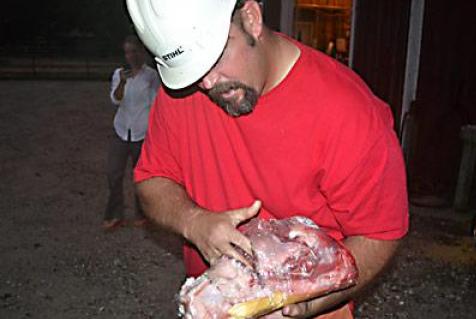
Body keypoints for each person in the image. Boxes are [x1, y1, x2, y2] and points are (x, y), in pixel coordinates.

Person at [127, 0, 409, 317]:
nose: (206, 83)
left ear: (251, 18)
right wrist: (193, 222)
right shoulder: (184, 89)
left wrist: (307, 303)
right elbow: (152, 180)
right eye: (192, 71)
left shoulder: (349, 113)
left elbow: (380, 234)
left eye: (215, 58)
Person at [103, 35, 160, 230]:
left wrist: (155, 133)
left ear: (142, 52)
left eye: (134, 51)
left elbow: (154, 105)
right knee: (113, 173)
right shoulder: (119, 74)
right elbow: (115, 100)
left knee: (140, 176)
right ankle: (114, 214)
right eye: (127, 52)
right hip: (121, 129)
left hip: (141, 133)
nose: (131, 56)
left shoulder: (151, 76)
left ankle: (141, 213)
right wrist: (122, 83)